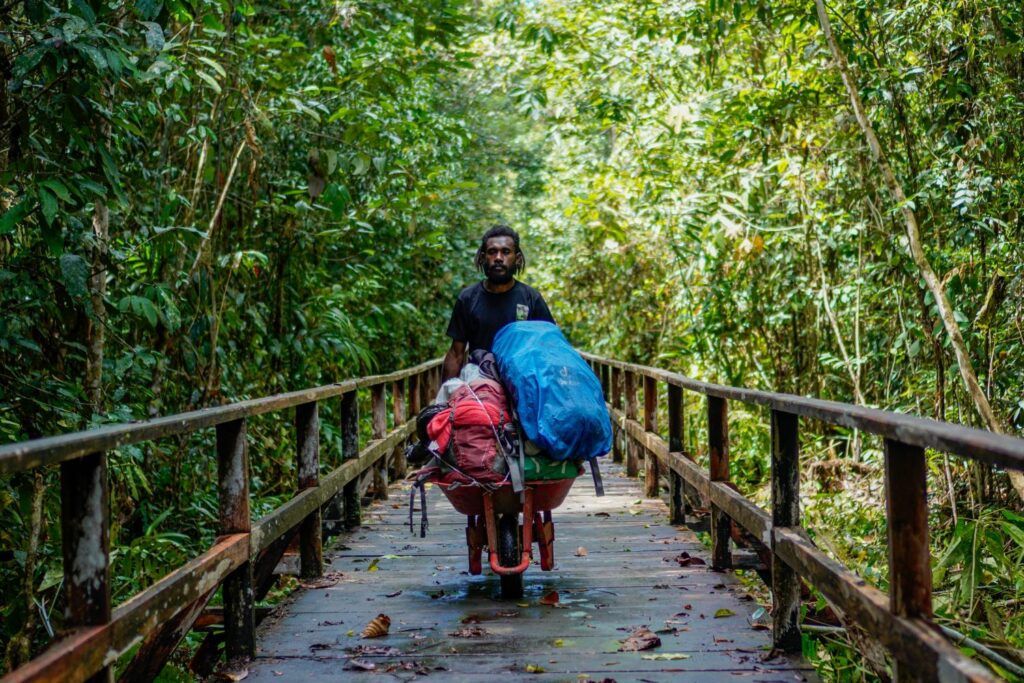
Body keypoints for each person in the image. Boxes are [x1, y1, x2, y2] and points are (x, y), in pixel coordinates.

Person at [442, 225, 555, 380]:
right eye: (492, 252)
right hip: (480, 385)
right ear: (483, 257)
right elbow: (456, 354)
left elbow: (550, 348)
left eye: (506, 252)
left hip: (522, 385)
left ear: (517, 258)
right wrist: (445, 397)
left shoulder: (531, 298)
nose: (499, 258)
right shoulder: (468, 298)